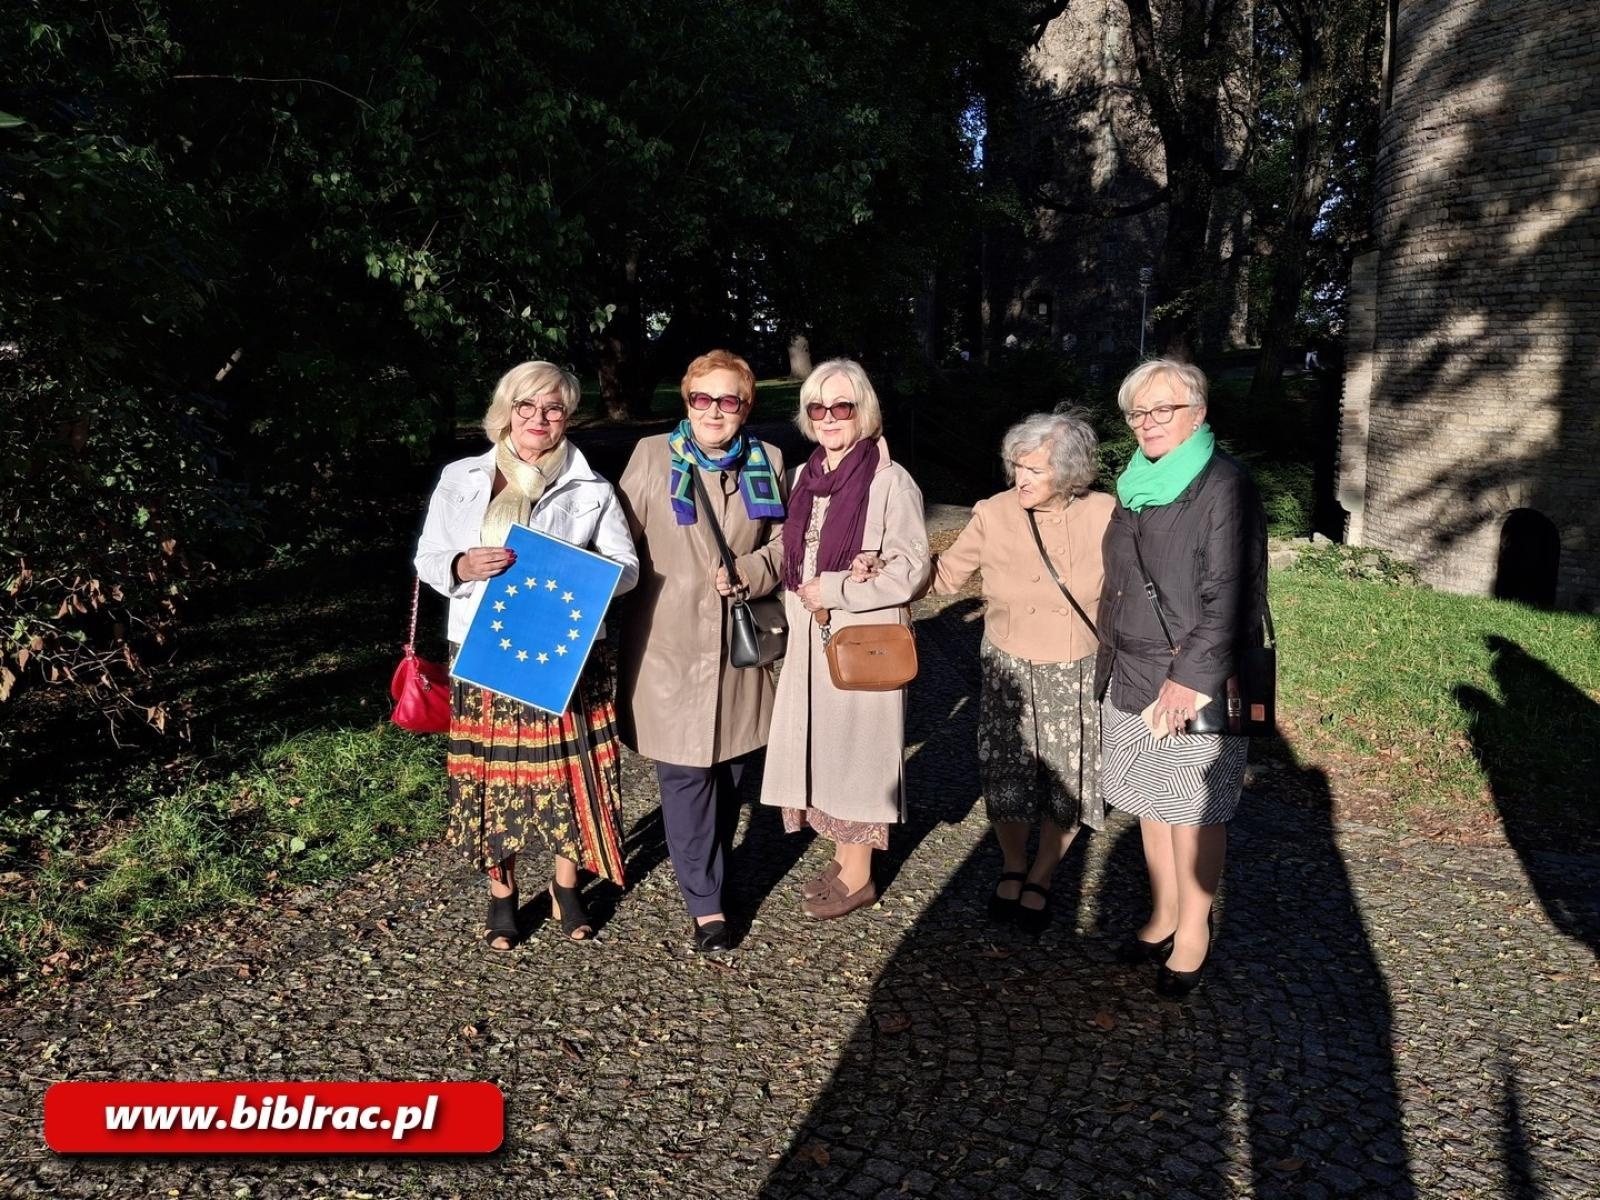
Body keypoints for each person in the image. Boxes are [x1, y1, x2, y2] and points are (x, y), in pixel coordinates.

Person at [415, 361, 639, 949]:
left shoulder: (591, 488)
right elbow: (428, 558)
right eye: (527, 407)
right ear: (507, 410)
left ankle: (568, 886)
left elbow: (629, 569)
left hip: (565, 654)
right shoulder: (462, 476)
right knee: (495, 778)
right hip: (485, 648)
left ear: (568, 417)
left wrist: (578, 579)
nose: (540, 419)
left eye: (554, 409)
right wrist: (462, 565)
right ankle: (502, 895)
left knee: (572, 774)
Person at [720, 359, 930, 920]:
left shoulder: (889, 479)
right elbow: (790, 554)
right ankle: (843, 857)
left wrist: (836, 588)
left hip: (863, 640)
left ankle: (860, 874)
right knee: (825, 752)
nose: (831, 417)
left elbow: (913, 570)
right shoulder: (806, 477)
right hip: (811, 641)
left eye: (843, 406)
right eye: (819, 407)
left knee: (859, 755)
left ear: (864, 411)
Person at [1095, 358, 1268, 997]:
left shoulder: (1224, 485)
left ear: (1197, 413)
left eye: (1162, 410)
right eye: (1138, 413)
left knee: (1194, 810)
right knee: (1149, 803)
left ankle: (1194, 929)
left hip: (1197, 677)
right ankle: (1164, 912)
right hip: (1131, 667)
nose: (1148, 423)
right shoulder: (1135, 483)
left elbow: (1233, 593)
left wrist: (1189, 678)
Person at [616, 350, 787, 953]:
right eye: (701, 399)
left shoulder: (769, 461)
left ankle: (710, 868)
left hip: (740, 648)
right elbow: (618, 540)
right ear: (686, 401)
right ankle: (706, 901)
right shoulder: (651, 456)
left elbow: (789, 543)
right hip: (667, 642)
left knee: (732, 767)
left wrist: (753, 569)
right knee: (686, 772)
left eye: (728, 400)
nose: (714, 411)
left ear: (746, 406)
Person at [926, 409, 1114, 934]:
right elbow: (943, 577)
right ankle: (1012, 864)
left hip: (1074, 664)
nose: (1020, 480)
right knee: (1006, 772)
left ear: (1072, 473)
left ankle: (1044, 872)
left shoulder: (1104, 513)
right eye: (1016, 468)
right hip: (1007, 663)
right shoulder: (994, 511)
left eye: (1034, 470)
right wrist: (891, 567)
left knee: (1068, 776)